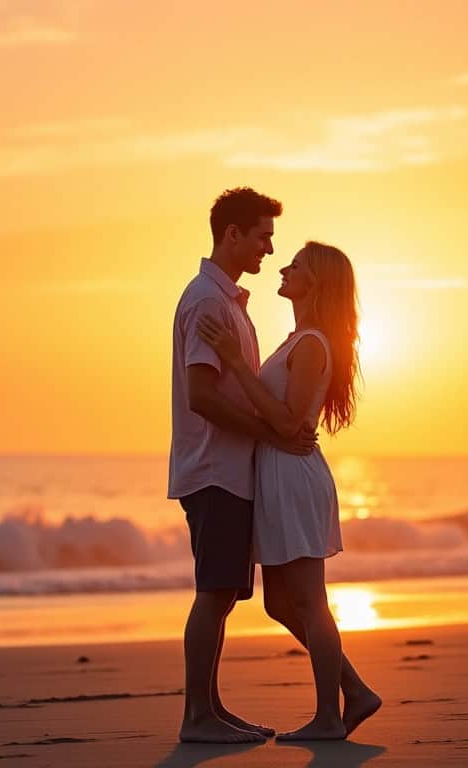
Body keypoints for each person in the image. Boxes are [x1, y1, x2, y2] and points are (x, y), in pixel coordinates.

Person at [196, 241, 382, 740]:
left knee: (309, 600)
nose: (283, 267)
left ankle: (329, 715)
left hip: (294, 476)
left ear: (315, 282)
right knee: (279, 603)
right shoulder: (298, 339)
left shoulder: (312, 344)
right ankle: (356, 690)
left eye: (296, 265)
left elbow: (285, 419)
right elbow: (280, 419)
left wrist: (234, 361)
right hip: (277, 471)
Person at [168, 187, 317, 744]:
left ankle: (211, 708)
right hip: (213, 470)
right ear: (232, 234)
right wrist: (270, 432)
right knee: (214, 592)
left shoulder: (226, 301)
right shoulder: (208, 302)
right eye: (262, 236)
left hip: (226, 470)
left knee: (223, 591)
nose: (268, 249)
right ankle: (197, 718)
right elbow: (201, 397)